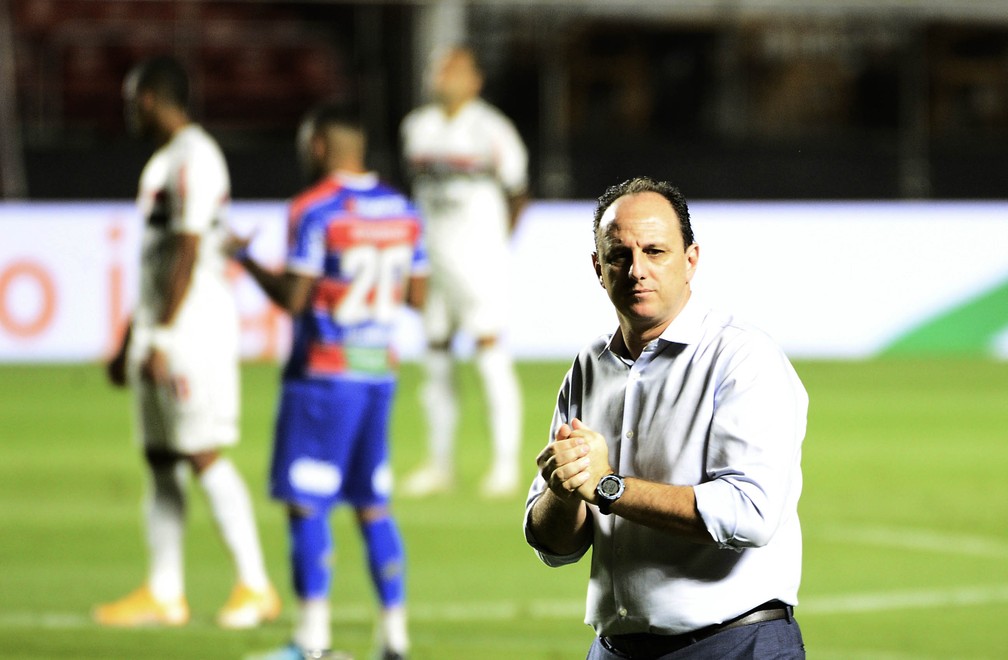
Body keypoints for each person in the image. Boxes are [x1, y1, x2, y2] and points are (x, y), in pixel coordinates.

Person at [524, 176, 808, 659]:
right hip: (613, 648)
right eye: (619, 255)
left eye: (655, 251)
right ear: (598, 268)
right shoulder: (589, 366)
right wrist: (562, 488)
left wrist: (609, 487)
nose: (637, 270)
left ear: (691, 260)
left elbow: (751, 514)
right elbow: (555, 548)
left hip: (734, 644)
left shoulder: (742, 358)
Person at [231, 103, 427, 660]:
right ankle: (394, 638)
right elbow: (418, 296)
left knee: (306, 503)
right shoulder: (404, 210)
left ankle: (312, 643)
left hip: (323, 377)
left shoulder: (314, 209)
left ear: (318, 144)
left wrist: (245, 259)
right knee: (372, 503)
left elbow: (294, 298)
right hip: (377, 374)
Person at [95, 55, 279, 629]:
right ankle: (165, 592)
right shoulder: (163, 162)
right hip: (162, 326)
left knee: (201, 452)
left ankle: (256, 585)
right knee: (160, 458)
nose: (128, 111)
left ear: (150, 99)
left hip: (192, 330)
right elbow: (155, 261)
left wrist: (164, 335)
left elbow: (189, 249)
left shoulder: (197, 157)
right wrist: (132, 337)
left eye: (132, 101)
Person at [399, 44, 528, 497]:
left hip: (478, 260)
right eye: (439, 69)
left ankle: (506, 465)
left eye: (454, 70)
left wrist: (496, 246)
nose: (443, 77)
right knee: (435, 353)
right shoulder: (417, 127)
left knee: (489, 350)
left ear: (475, 80)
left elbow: (518, 192)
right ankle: (439, 463)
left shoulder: (492, 129)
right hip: (432, 257)